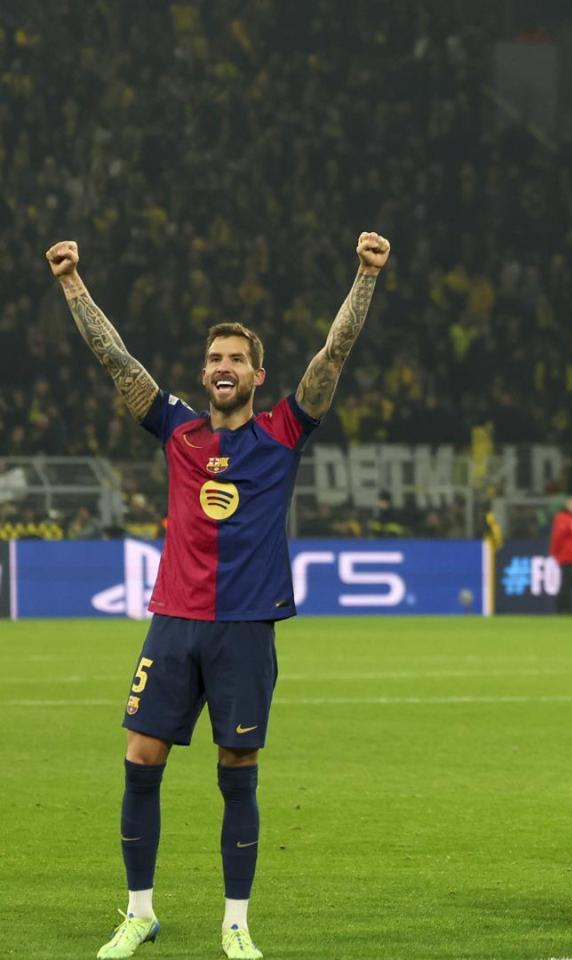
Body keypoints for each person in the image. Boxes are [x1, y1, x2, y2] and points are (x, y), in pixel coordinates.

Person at [50, 231, 391, 960]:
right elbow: (117, 360)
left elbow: (333, 355)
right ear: (204, 375)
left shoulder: (283, 432)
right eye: (214, 358)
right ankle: (140, 912)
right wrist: (73, 283)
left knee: (237, 769)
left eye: (236, 358)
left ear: (258, 374)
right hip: (175, 621)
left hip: (245, 628)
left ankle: (235, 921)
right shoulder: (177, 430)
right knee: (141, 758)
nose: (223, 366)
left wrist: (364, 276)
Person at [550, 498, 572, 614]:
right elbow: (558, 537)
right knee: (566, 584)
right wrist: (555, 552)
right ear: (568, 505)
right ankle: (563, 609)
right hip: (566, 557)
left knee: (569, 584)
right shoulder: (563, 518)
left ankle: (564, 608)